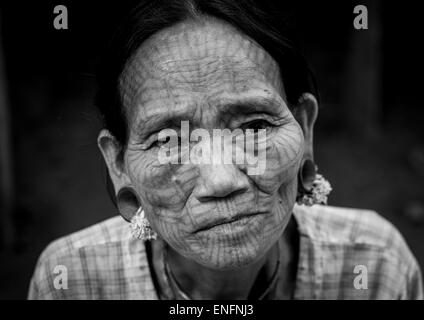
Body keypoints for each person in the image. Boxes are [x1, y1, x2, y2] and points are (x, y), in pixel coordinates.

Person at [28, 0, 422, 299]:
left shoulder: (374, 266)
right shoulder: (71, 279)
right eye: (169, 141)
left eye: (254, 127)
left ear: (304, 128)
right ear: (119, 165)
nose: (221, 181)